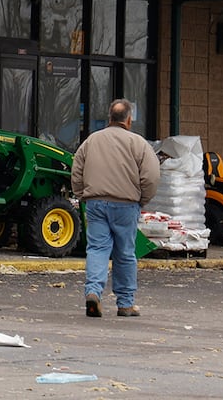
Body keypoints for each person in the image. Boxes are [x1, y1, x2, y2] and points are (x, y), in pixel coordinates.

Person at [71, 99, 160, 318]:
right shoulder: (138, 143)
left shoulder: (91, 141)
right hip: (126, 204)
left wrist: (83, 195)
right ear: (128, 120)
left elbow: (76, 171)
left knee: (97, 249)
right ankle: (125, 303)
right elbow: (151, 176)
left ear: (110, 117)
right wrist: (142, 199)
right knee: (125, 254)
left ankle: (93, 292)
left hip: (95, 203)